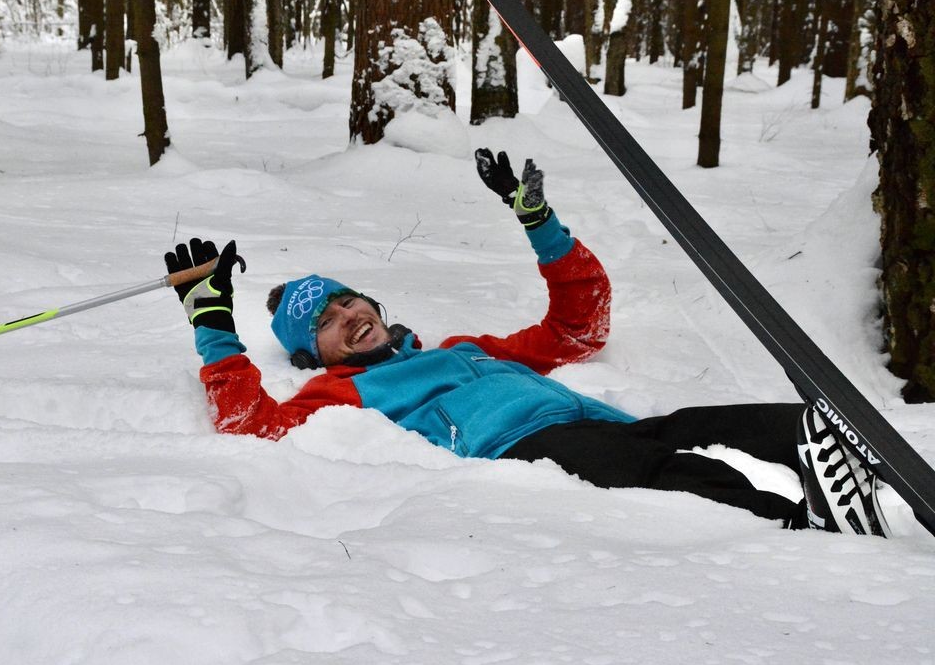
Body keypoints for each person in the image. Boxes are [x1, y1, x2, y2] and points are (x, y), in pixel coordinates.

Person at [165, 148, 891, 537]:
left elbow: (580, 328)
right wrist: (211, 325)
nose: (348, 315)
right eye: (325, 322)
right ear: (313, 357)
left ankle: (824, 443)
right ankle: (796, 526)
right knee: (675, 477)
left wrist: (539, 223)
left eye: (349, 299)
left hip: (596, 427)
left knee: (695, 434)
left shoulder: (463, 348)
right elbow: (250, 426)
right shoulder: (339, 393)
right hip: (527, 453)